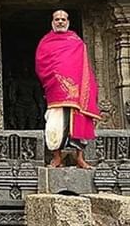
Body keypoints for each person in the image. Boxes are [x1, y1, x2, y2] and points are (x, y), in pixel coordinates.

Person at [34, 9, 100, 168]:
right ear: (52, 22)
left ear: (68, 22)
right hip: (56, 89)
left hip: (77, 91)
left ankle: (80, 158)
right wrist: (57, 78)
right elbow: (40, 64)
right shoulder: (46, 42)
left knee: (80, 121)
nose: (60, 22)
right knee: (54, 125)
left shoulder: (76, 42)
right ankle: (57, 157)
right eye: (57, 19)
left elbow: (83, 66)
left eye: (63, 19)